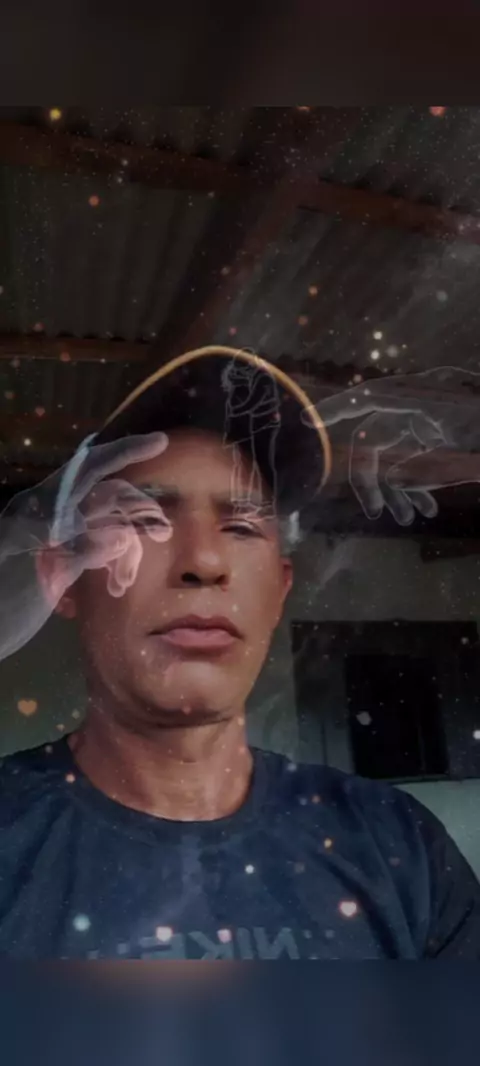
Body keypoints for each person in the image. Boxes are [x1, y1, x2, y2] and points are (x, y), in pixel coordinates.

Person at [0, 345, 479, 960]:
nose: (204, 561)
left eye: (243, 527)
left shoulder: (401, 849)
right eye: (144, 518)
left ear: (279, 590)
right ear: (62, 576)